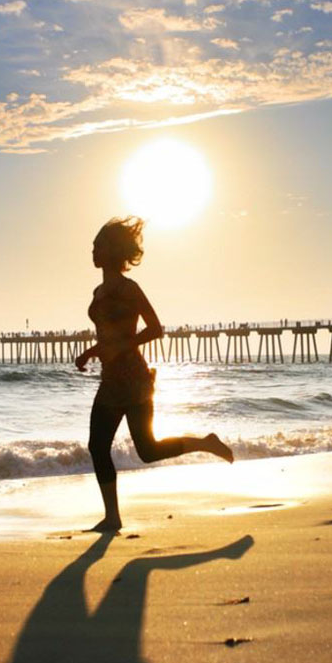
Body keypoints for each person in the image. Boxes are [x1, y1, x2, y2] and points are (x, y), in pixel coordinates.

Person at [75, 217, 233, 533]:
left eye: (98, 246)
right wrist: (92, 352)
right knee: (97, 446)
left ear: (112, 251)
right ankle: (112, 517)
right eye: (93, 245)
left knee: (146, 451)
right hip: (110, 380)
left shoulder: (129, 289)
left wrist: (122, 346)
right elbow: (109, 338)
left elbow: (156, 329)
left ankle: (205, 443)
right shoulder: (98, 290)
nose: (93, 251)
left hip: (134, 379)